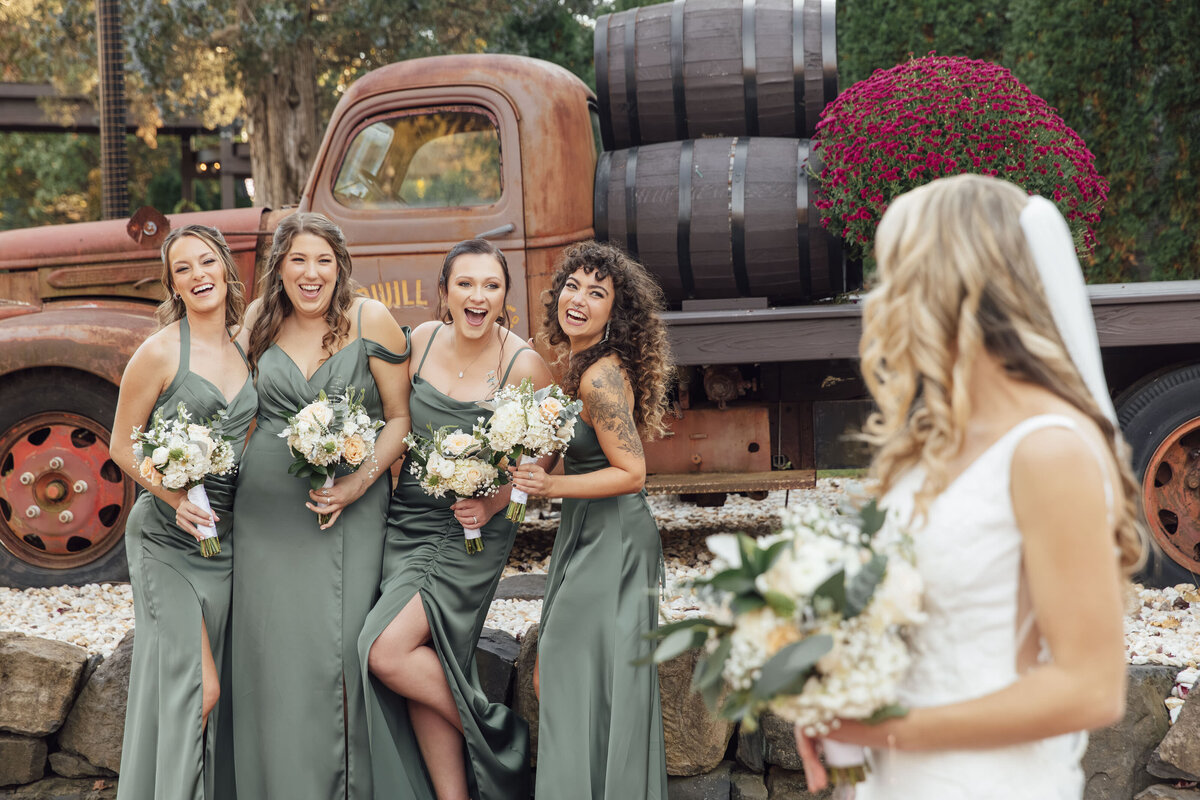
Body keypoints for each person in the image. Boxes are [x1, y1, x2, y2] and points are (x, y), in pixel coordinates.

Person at [795, 174, 1146, 799]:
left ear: (949, 281)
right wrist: (831, 700)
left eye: (894, 273)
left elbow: (1091, 688)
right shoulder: (932, 439)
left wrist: (889, 728)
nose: (881, 297)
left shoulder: (1048, 448)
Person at [358, 239, 550, 800]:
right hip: (406, 519)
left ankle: (497, 731)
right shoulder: (418, 341)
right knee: (429, 655)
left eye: (491, 285)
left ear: (505, 297)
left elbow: (539, 472)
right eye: (465, 284)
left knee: (385, 651)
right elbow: (390, 420)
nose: (477, 296)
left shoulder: (523, 365)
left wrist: (494, 504)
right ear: (443, 293)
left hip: (470, 532)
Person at [230, 212, 411, 799]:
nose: (311, 274)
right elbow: (221, 398)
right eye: (297, 261)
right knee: (272, 651)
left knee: (337, 651)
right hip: (265, 513)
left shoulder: (370, 319)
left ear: (341, 266)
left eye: (323, 261)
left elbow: (400, 418)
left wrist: (359, 483)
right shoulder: (257, 323)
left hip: (349, 507)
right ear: (279, 268)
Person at [509, 240, 673, 799]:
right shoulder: (581, 365)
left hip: (616, 538)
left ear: (614, 312)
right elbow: (562, 450)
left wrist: (550, 486)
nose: (579, 299)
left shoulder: (599, 379)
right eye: (573, 287)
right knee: (581, 677)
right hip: (593, 532)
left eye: (597, 293)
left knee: (565, 669)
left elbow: (632, 473)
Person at [110, 224, 253, 799]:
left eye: (206, 262)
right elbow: (123, 445)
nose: (198, 276)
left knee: (192, 691)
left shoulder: (250, 344)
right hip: (166, 542)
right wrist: (174, 498)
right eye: (184, 269)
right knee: (201, 687)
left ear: (225, 268)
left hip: (227, 541)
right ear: (172, 285)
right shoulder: (160, 351)